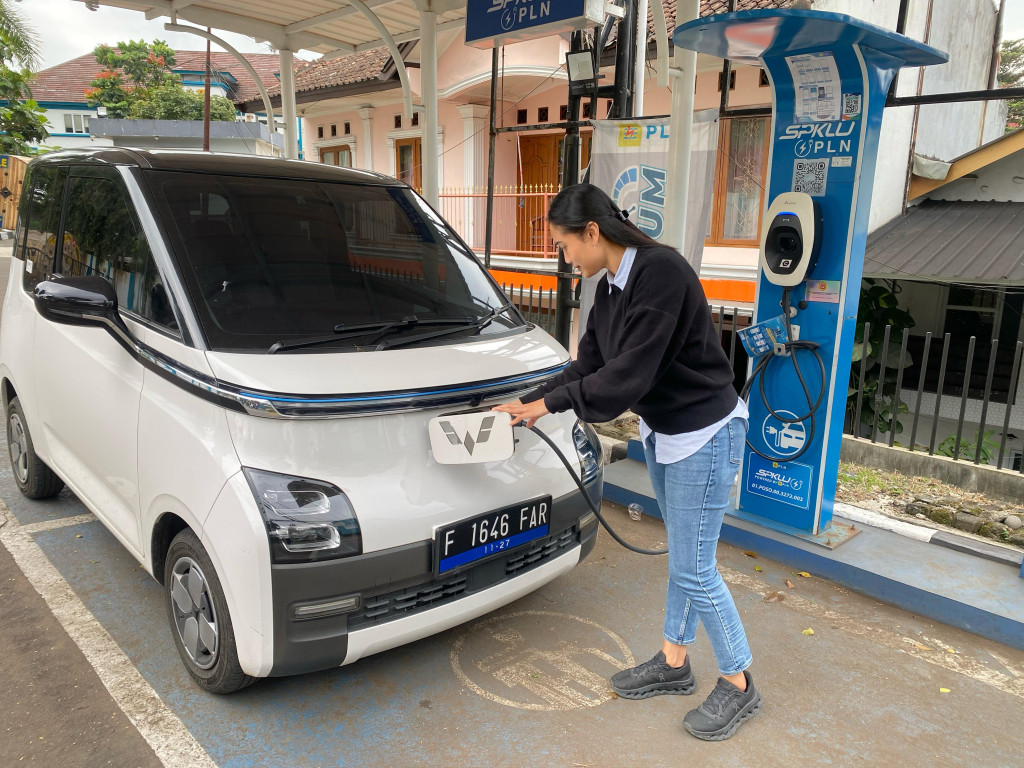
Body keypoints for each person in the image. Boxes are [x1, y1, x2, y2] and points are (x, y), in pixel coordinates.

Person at [493, 183, 760, 741]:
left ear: (592, 232)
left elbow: (626, 376)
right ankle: (674, 661)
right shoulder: (609, 288)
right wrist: (528, 402)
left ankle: (738, 681)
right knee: (686, 561)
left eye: (564, 245)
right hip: (666, 430)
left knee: (695, 568)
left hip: (705, 433)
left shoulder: (661, 273)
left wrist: (549, 405)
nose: (565, 258)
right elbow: (586, 366)